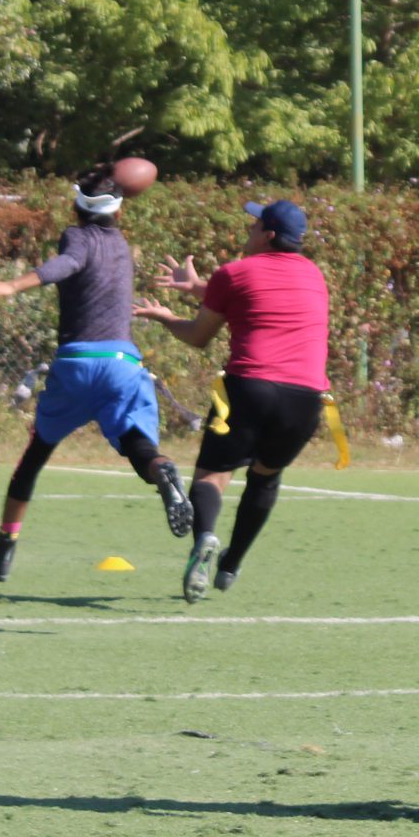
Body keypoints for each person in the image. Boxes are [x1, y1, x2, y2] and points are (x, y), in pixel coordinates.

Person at [0, 164, 191, 581]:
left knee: (33, 458)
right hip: (124, 365)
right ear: (119, 212)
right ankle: (163, 472)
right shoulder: (121, 243)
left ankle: (4, 548)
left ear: (75, 208)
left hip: (78, 365)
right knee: (137, 444)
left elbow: (67, 263)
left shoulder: (77, 237)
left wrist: (11, 286)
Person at [137, 199, 333, 603]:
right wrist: (196, 287)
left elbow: (198, 335)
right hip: (308, 397)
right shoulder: (314, 276)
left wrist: (164, 316)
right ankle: (230, 564)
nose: (248, 231)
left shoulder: (235, 273)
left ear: (269, 235)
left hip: (250, 387)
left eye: (254, 225)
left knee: (212, 476)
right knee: (265, 476)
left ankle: (206, 538)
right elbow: (258, 295)